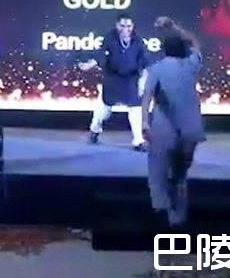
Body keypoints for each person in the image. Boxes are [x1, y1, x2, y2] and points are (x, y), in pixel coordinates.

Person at [142, 16, 205, 229]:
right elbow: (195, 42)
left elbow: (147, 97)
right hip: (190, 129)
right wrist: (174, 26)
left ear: (163, 50)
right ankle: (178, 218)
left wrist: (144, 123)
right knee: (180, 175)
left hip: (164, 129)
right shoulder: (191, 65)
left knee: (157, 171)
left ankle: (162, 214)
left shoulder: (157, 69)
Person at [79, 13, 148, 151]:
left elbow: (144, 62)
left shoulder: (138, 41)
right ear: (117, 25)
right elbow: (101, 55)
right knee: (103, 111)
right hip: (112, 79)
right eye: (122, 26)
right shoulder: (109, 38)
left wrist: (143, 81)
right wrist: (90, 64)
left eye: (129, 26)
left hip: (130, 80)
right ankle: (94, 131)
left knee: (135, 110)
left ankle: (138, 141)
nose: (125, 29)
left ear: (132, 26)